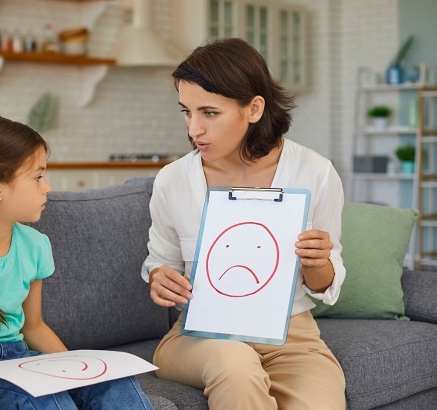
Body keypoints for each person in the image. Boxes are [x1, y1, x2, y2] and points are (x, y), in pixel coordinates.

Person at [142, 38, 346, 410]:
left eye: (209, 113)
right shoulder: (173, 180)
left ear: (253, 108)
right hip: (198, 335)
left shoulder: (314, 172)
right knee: (235, 365)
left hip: (292, 337)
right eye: (186, 112)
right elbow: (161, 265)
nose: (194, 130)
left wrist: (319, 263)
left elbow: (326, 288)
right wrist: (159, 279)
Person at [0, 114, 154, 410]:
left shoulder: (36, 246)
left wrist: (79, 370)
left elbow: (33, 327)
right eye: (37, 176)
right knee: (47, 400)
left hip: (17, 357)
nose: (47, 186)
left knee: (115, 383)